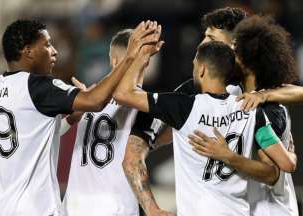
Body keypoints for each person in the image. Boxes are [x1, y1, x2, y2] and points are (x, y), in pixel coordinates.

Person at [0, 19, 159, 216]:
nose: (55, 51)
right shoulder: (39, 86)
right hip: (35, 208)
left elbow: (33, 135)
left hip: (0, 206)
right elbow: (95, 101)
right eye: (47, 45)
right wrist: (130, 56)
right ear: (28, 51)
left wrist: (72, 118)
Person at [113, 40, 294, 215]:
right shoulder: (251, 110)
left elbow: (123, 93)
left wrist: (141, 58)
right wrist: (231, 158)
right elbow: (273, 174)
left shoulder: (184, 107)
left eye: (194, 65)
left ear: (202, 69)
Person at [189, 15, 299, 216]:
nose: (230, 58)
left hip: (270, 210)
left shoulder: (264, 109)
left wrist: (227, 156)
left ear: (247, 62)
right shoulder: (234, 96)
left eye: (235, 54)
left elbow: (279, 168)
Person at [62, 24, 165, 216]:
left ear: (112, 60)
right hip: (116, 206)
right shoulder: (147, 105)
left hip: (74, 206)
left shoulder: (88, 98)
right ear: (147, 61)